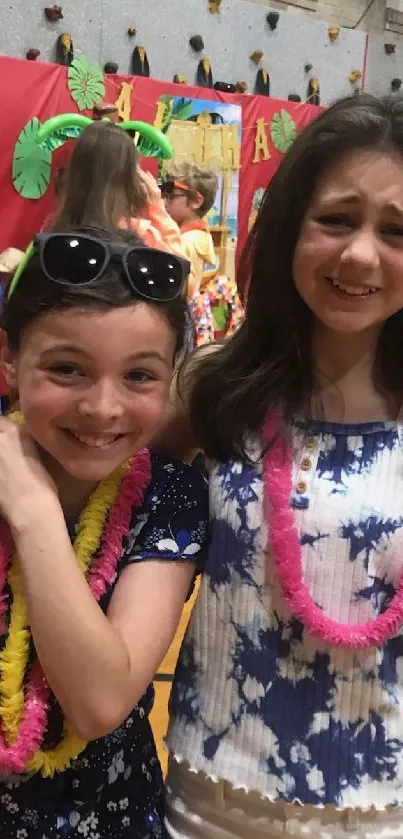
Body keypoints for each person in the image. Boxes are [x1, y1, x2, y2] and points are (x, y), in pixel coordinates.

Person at [164, 93, 403, 838]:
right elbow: (111, 513)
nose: (360, 255)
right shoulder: (214, 388)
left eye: (395, 231)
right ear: (290, 223)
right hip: (209, 803)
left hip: (382, 810)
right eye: (336, 218)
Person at [0, 226, 208, 838]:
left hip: (109, 819)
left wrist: (32, 505)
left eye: (139, 376)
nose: (103, 408)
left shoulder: (168, 495)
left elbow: (98, 702)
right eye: (67, 368)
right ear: (10, 361)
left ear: (171, 377)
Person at [52, 121, 193, 281]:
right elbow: (186, 281)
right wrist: (156, 209)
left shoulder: (51, 239)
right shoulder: (141, 236)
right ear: (132, 179)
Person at [161, 163, 218, 294]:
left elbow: (181, 292)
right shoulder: (198, 236)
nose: (163, 202)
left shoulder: (187, 241)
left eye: (171, 196)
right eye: (163, 195)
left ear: (196, 201)